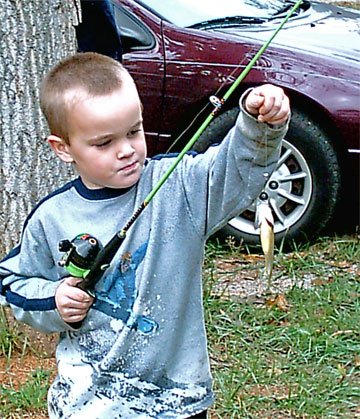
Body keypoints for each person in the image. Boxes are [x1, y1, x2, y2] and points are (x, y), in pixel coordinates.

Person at [0, 52, 290, 418]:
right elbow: (12, 282)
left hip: (177, 403)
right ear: (63, 148)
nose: (126, 151)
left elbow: (236, 172)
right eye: (103, 143)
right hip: (86, 406)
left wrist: (259, 127)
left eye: (134, 131)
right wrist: (53, 300)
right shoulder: (51, 216)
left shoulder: (179, 186)